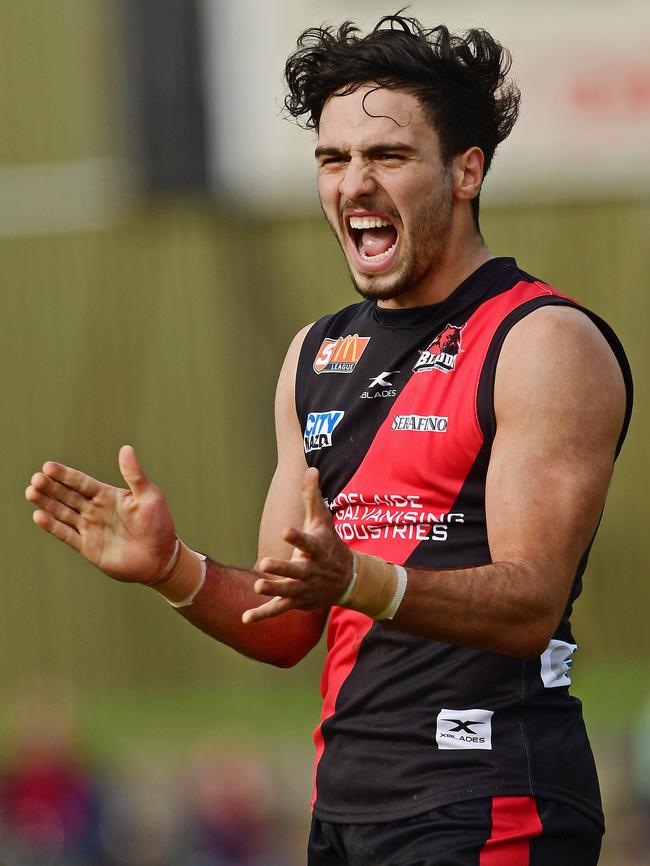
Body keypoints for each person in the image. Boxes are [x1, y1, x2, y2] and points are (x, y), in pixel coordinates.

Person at [26, 14, 633, 866]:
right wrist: (172, 568)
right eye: (333, 159)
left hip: (492, 796)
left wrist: (359, 576)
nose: (354, 183)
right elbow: (287, 625)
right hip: (344, 807)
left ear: (467, 171)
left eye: (387, 157)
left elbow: (531, 603)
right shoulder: (315, 355)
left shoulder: (540, 340)